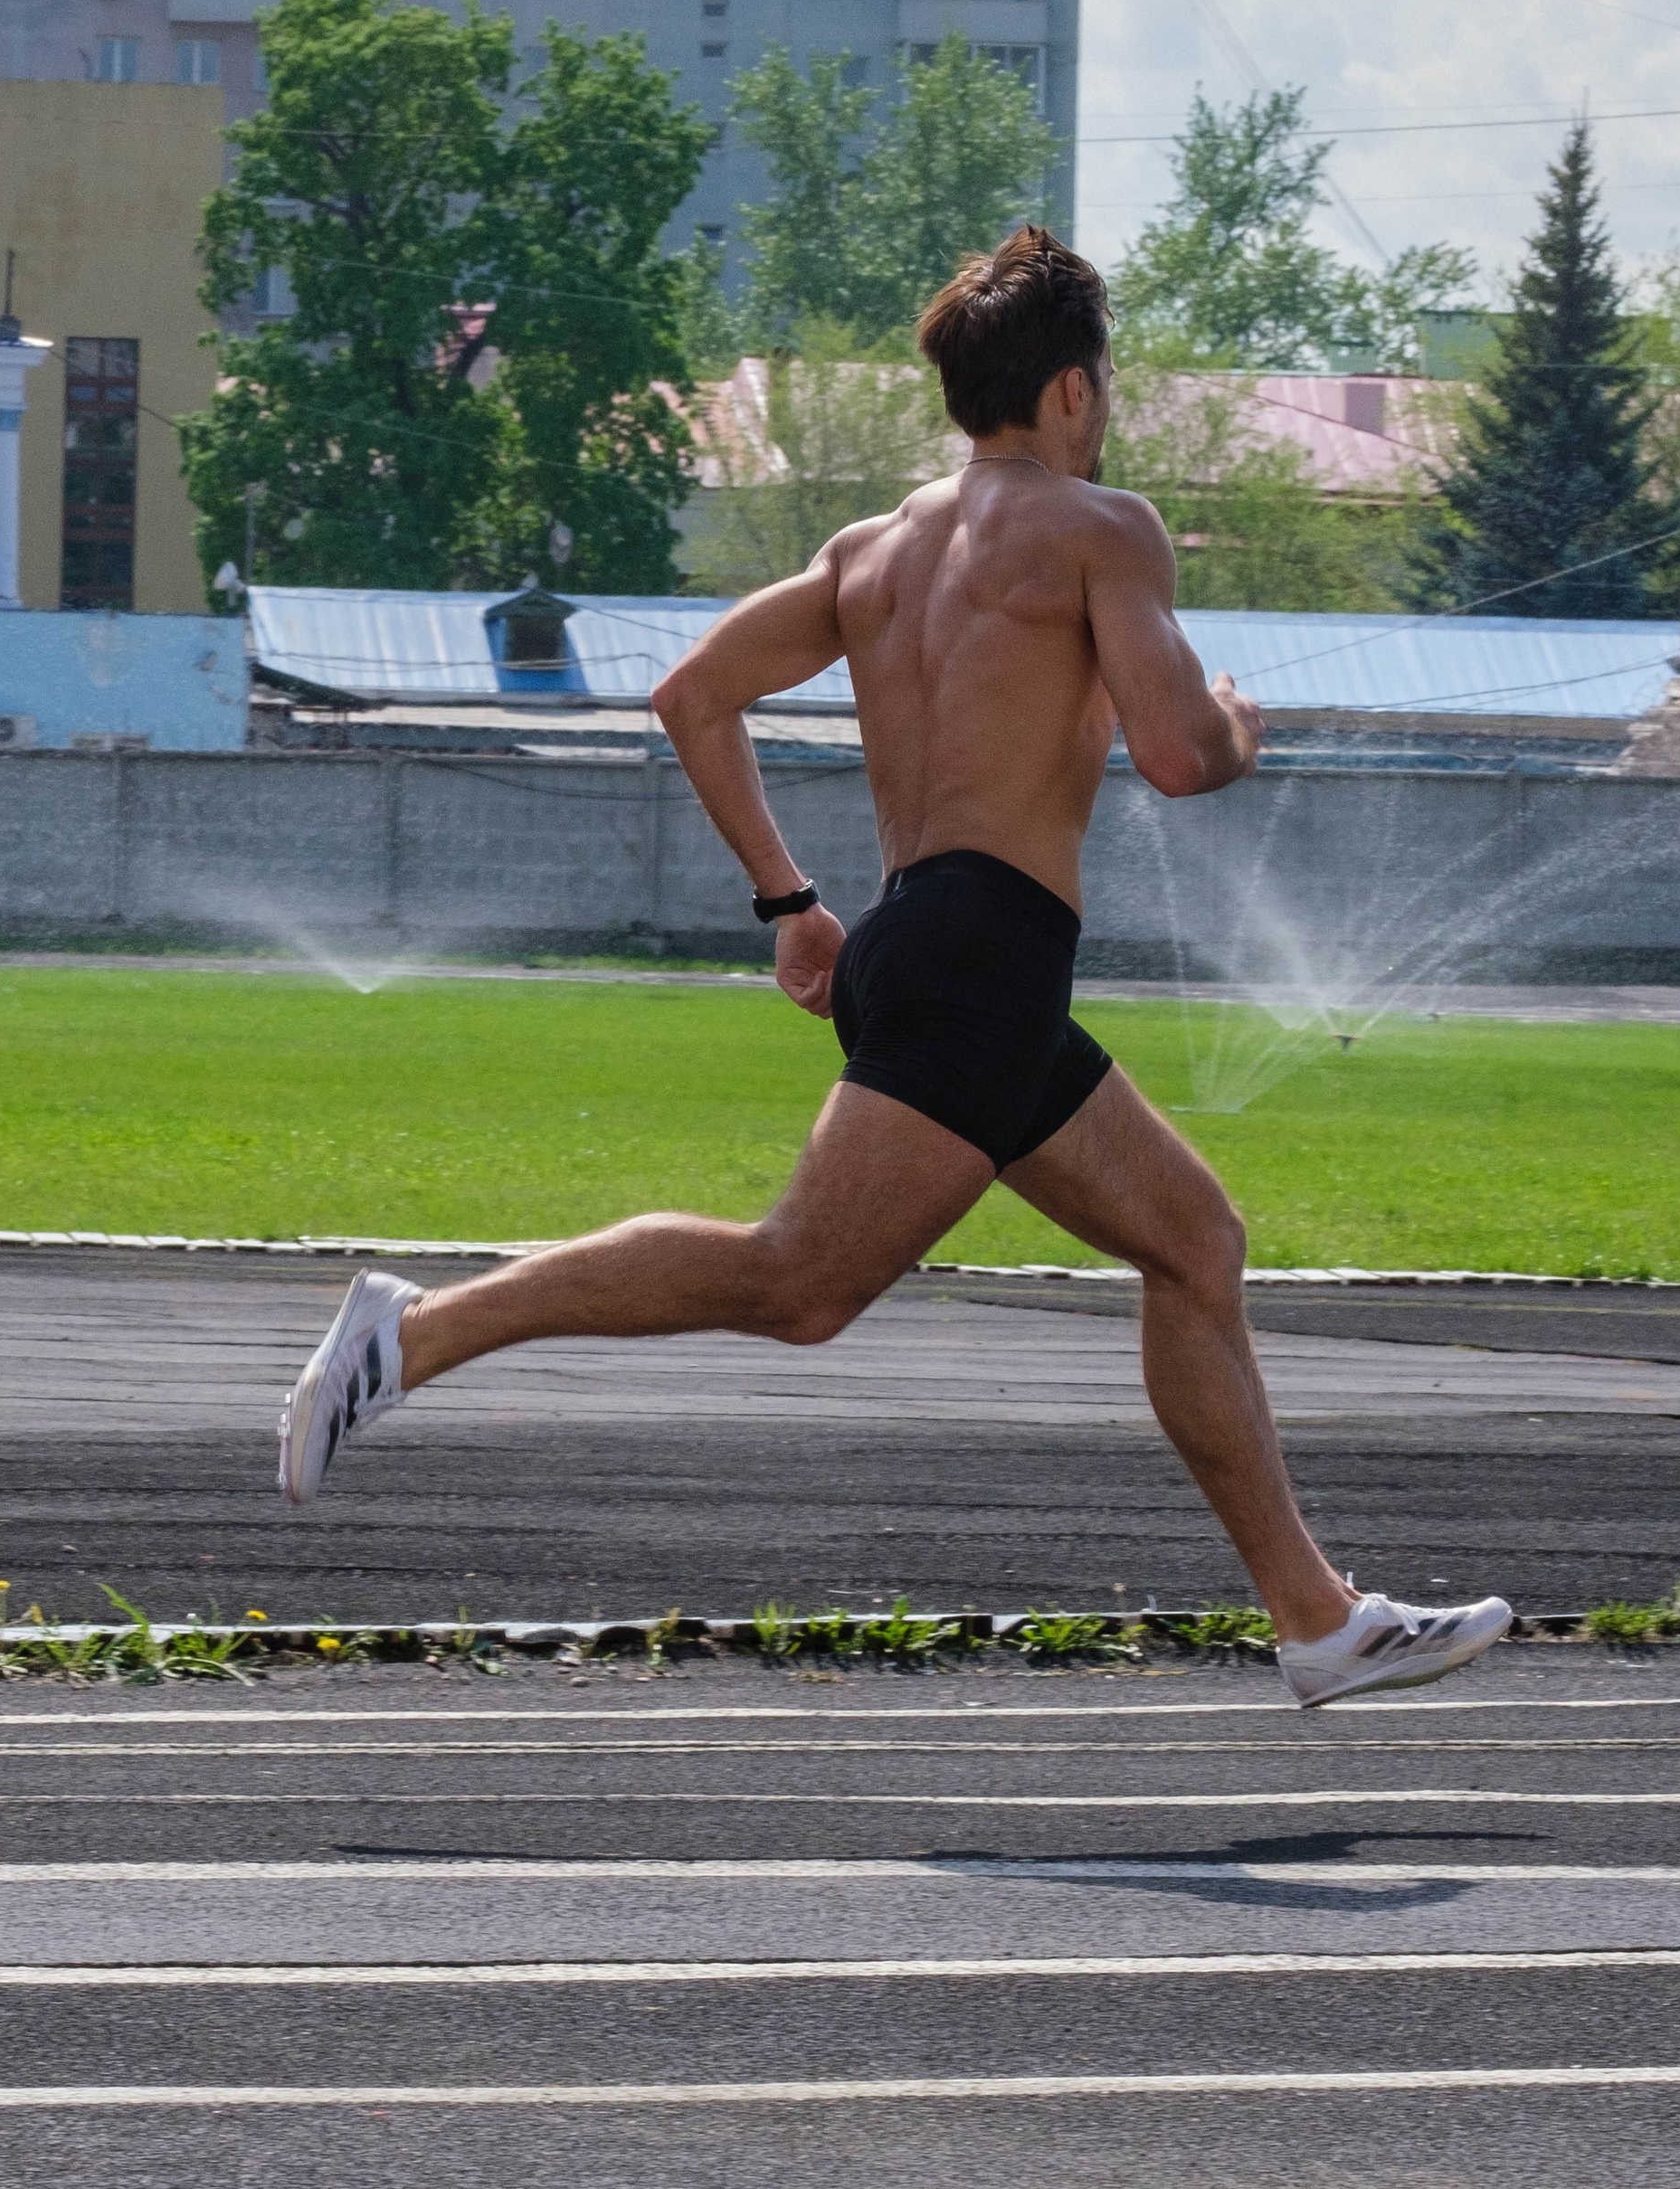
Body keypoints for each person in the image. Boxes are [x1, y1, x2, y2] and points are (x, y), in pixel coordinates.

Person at [278, 227, 1509, 1708]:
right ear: (1069, 389)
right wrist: (1243, 717)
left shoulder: (873, 551)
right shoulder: (1100, 528)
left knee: (1196, 1242)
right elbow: (1182, 758)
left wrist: (790, 903)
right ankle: (410, 1336)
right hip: (984, 958)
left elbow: (693, 695)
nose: (1104, 407)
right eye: (1102, 383)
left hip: (927, 937)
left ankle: (1313, 1616)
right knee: (794, 1283)